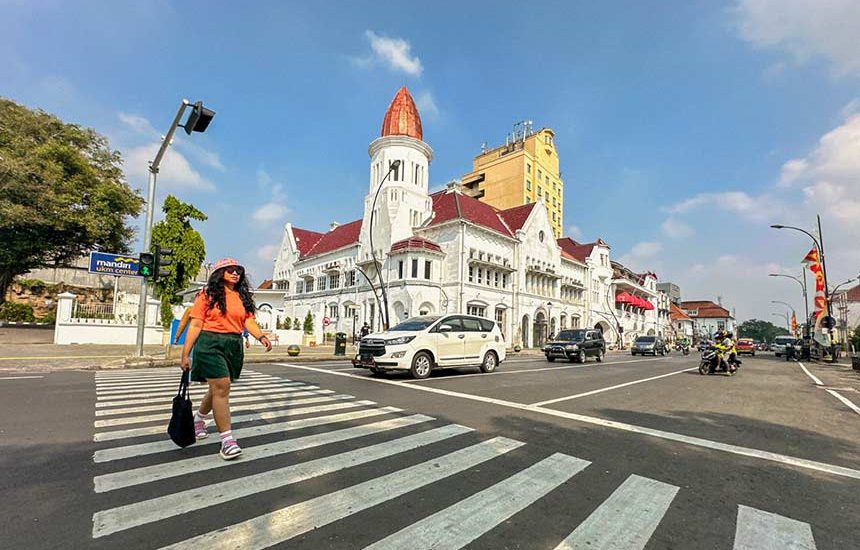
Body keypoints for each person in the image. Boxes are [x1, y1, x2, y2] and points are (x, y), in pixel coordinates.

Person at [181, 258, 272, 460]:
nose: (235, 273)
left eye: (238, 270)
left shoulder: (242, 296)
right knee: (222, 387)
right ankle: (227, 440)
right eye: (230, 270)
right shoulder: (207, 294)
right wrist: (185, 353)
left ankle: (198, 419)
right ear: (219, 272)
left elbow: (248, 321)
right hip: (209, 343)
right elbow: (195, 324)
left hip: (233, 344)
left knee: (217, 388)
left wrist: (262, 336)